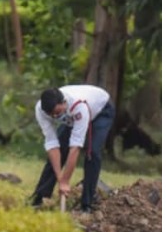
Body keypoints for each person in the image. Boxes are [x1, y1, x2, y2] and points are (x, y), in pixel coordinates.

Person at [31, 85, 115, 213]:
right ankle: (40, 198)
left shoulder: (79, 106)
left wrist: (65, 181)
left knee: (92, 152)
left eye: (57, 113)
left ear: (63, 103)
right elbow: (52, 144)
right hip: (71, 118)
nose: (55, 117)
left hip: (100, 111)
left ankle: (87, 205)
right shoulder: (40, 109)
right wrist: (60, 177)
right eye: (51, 114)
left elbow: (75, 147)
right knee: (58, 150)